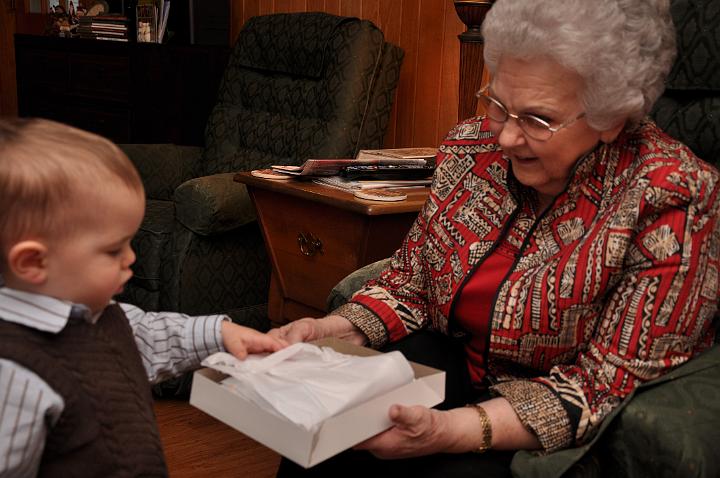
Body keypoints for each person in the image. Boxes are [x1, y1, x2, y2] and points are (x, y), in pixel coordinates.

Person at [269, 0, 720, 476]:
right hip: (455, 371)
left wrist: (451, 431)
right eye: (499, 106)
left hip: (550, 423)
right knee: (322, 432)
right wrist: (328, 331)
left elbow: (601, 384)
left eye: (536, 120)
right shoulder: (472, 147)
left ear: (610, 116)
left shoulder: (672, 196)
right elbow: (412, 282)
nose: (504, 138)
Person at [0, 118, 286, 477]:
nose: (131, 258)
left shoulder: (101, 313)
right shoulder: (13, 372)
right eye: (113, 250)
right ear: (33, 262)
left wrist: (221, 333)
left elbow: (153, 335)